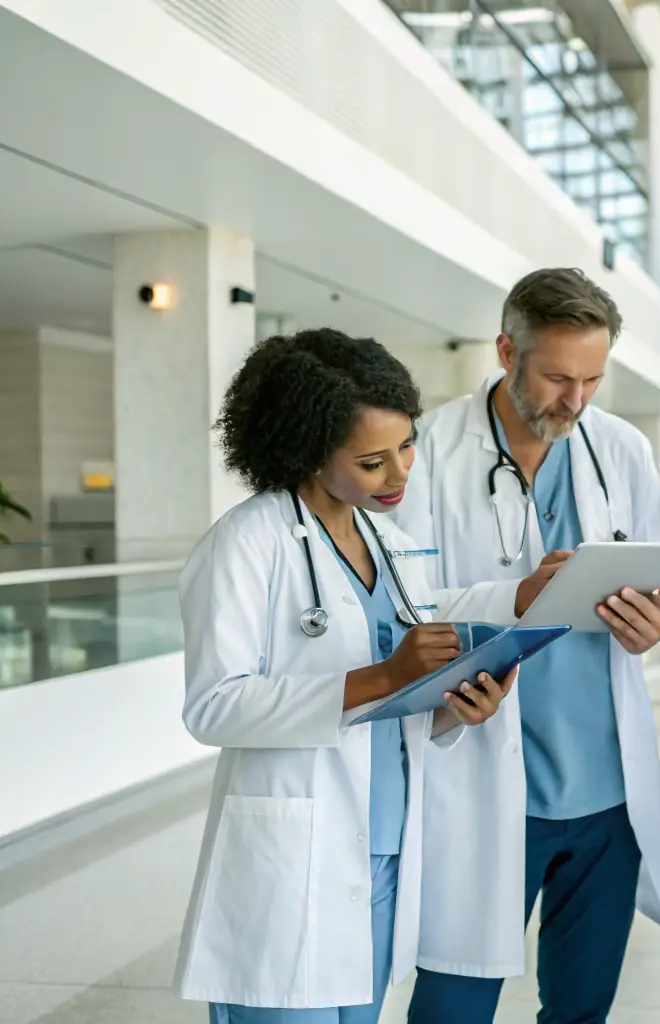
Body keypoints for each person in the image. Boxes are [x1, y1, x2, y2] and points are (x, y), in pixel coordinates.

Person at [172, 328, 522, 1023]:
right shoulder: (246, 544)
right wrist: (381, 675)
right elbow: (212, 707)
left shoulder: (385, 544)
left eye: (406, 445)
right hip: (289, 860)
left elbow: (397, 701)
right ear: (305, 449)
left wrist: (456, 705)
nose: (399, 475)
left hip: (382, 853)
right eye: (371, 461)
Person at [394, 268, 660, 1023]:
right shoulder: (429, 452)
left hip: (604, 789)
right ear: (504, 352)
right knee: (452, 1002)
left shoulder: (621, 449)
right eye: (556, 377)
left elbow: (655, 586)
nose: (575, 401)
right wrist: (508, 600)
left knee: (581, 1008)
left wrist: (654, 626)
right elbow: (402, 612)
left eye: (592, 379)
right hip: (484, 777)